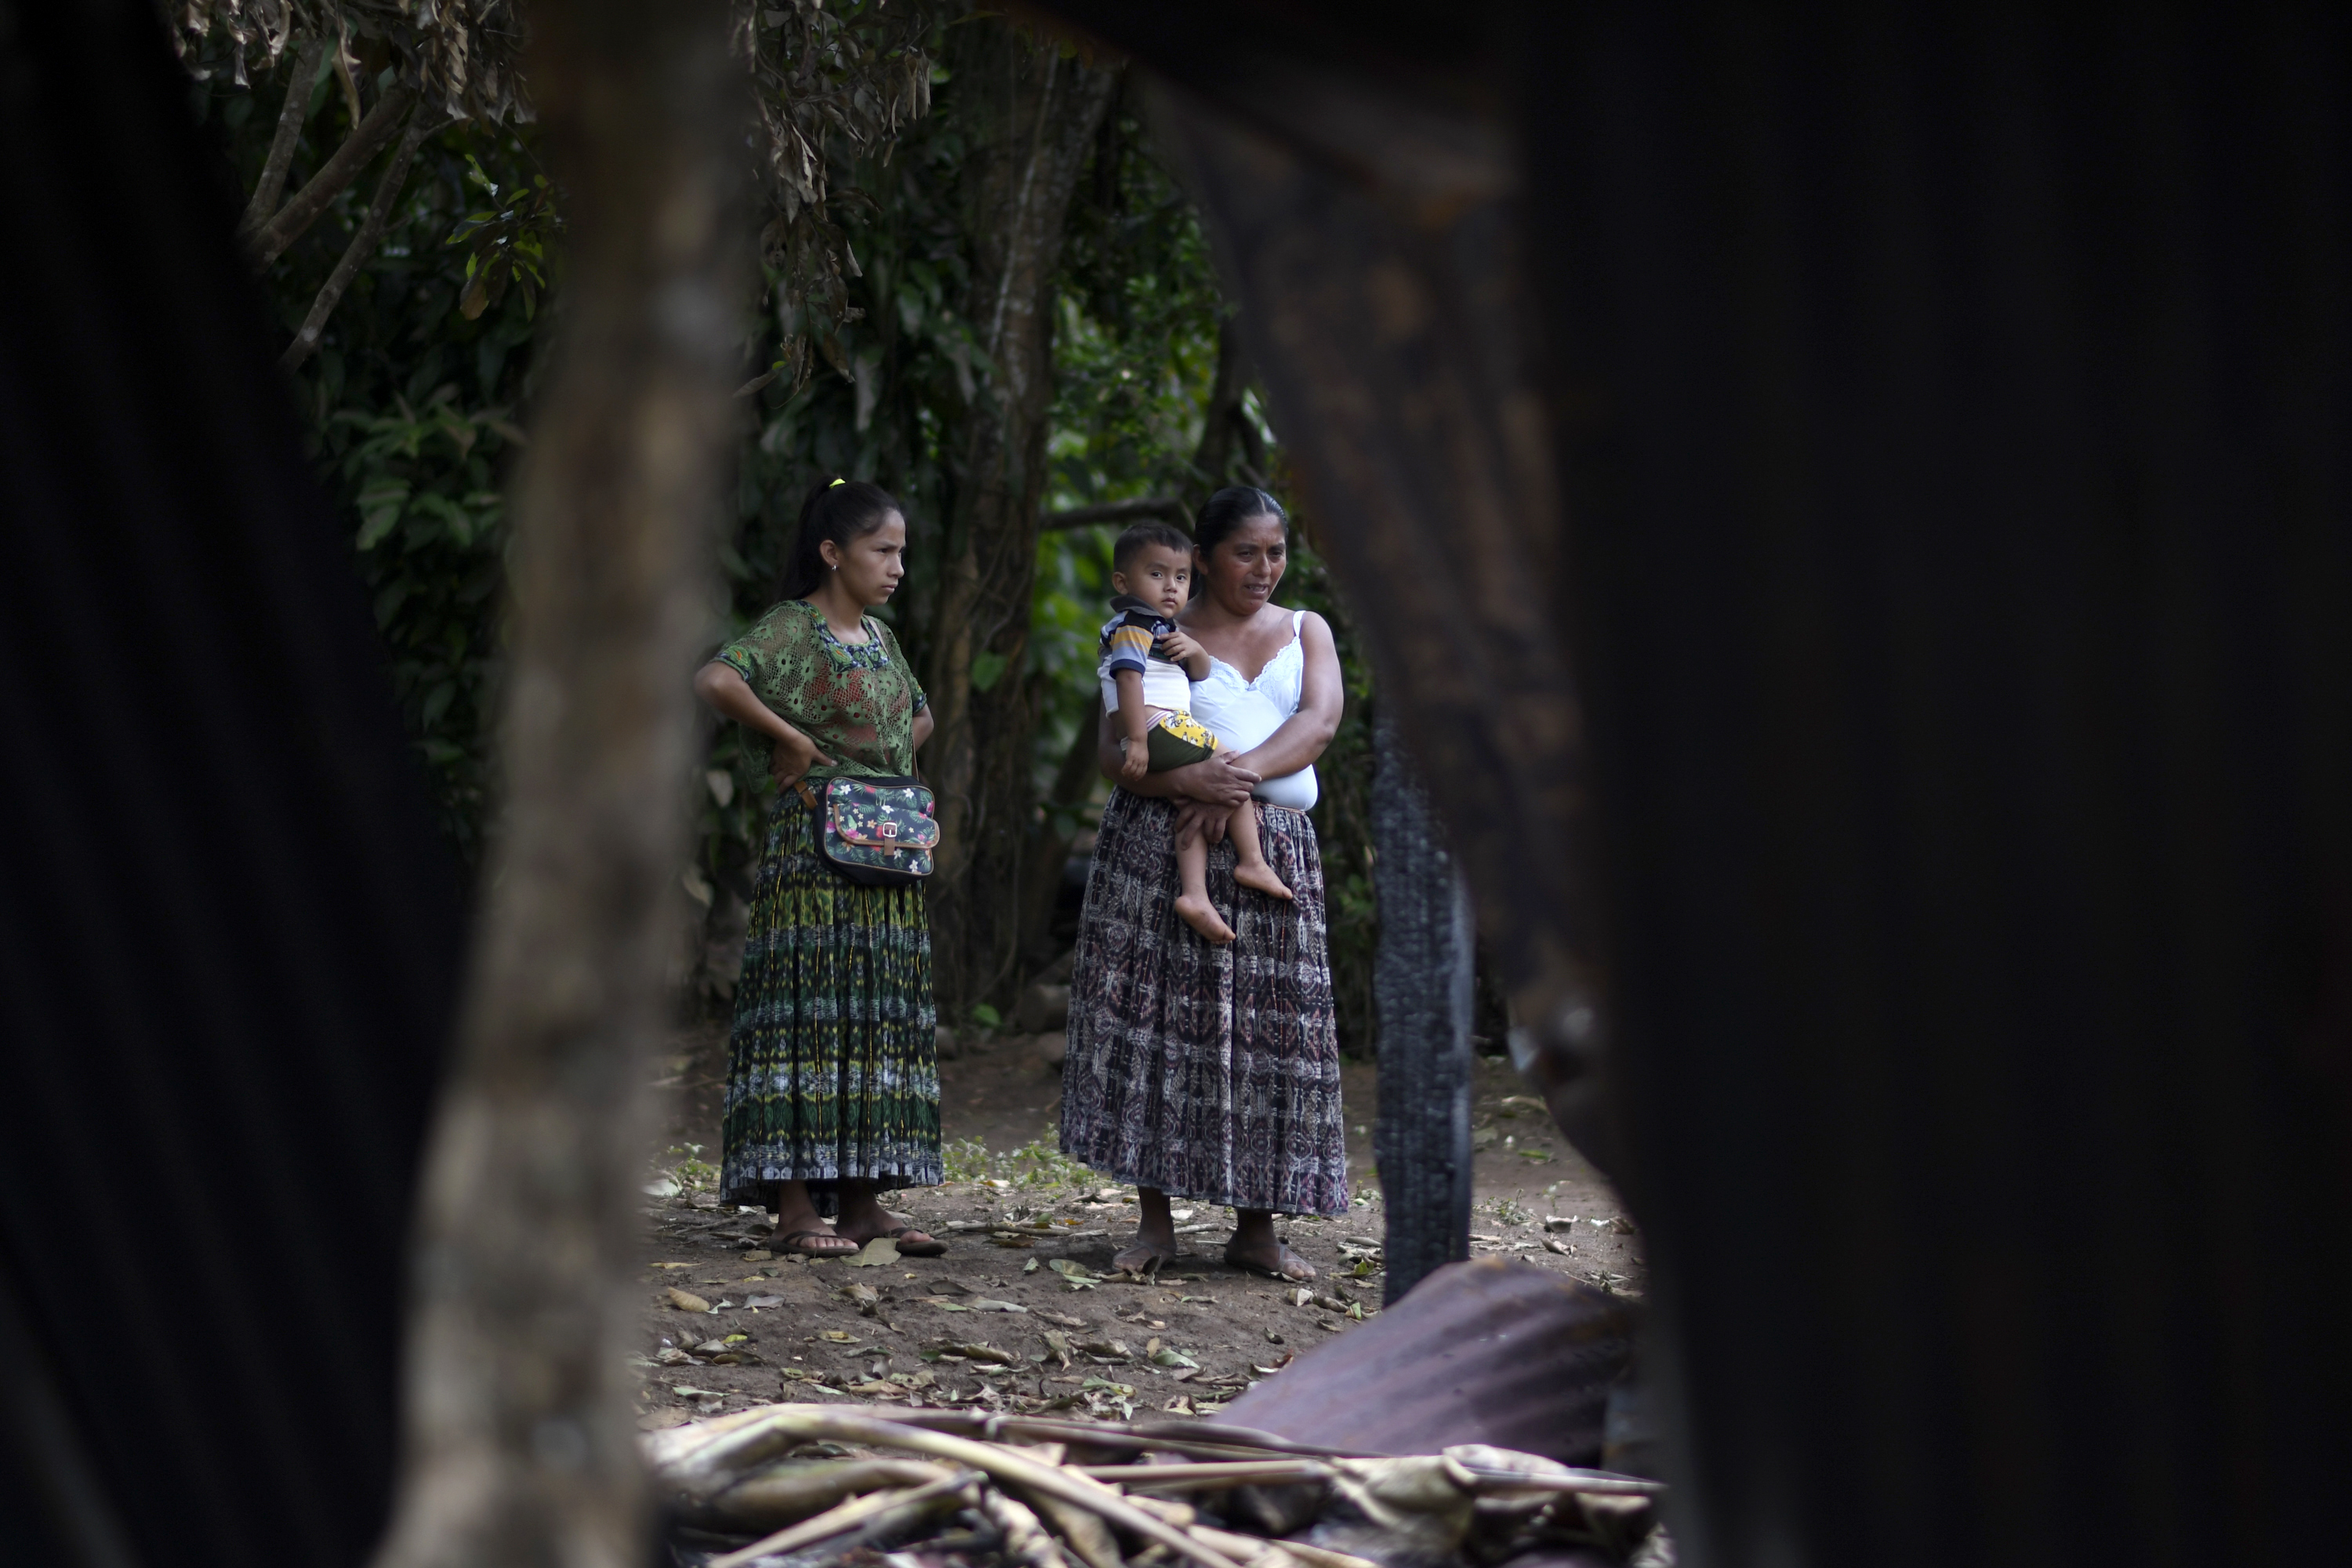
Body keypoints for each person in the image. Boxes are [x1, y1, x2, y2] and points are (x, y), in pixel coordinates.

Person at [1060, 487, 1348, 1282]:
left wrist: (1233, 780)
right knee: (1158, 1029)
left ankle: (1258, 1227)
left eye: (1276, 552)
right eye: (1245, 552)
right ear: (1206, 557)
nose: (1264, 568)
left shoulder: (1304, 629)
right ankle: (1155, 1225)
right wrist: (1195, 785)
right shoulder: (1157, 631)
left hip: (1275, 854)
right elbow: (1118, 753)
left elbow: (1320, 722)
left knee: (1270, 1036)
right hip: (1158, 842)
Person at [691, 477, 947, 1259]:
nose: (898, 566)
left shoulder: (881, 637)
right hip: (814, 855)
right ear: (833, 553)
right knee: (807, 1019)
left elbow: (919, 713)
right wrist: (796, 744)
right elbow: (716, 678)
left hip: (886, 856)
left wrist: (883, 780)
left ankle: (865, 1205)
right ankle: (796, 1207)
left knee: (870, 1020)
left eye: (902, 551)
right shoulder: (792, 628)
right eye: (883, 550)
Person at [1098, 520, 1294, 945]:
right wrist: (1140, 741)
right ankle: (1252, 860)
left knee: (1194, 799)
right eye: (1157, 575)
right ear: (1123, 581)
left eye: (1180, 577)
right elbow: (1128, 681)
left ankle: (1195, 895)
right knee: (1230, 769)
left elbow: (1198, 674)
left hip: (1163, 728)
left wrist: (1197, 652)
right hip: (1158, 727)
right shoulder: (1133, 625)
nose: (1171, 587)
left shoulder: (1162, 629)